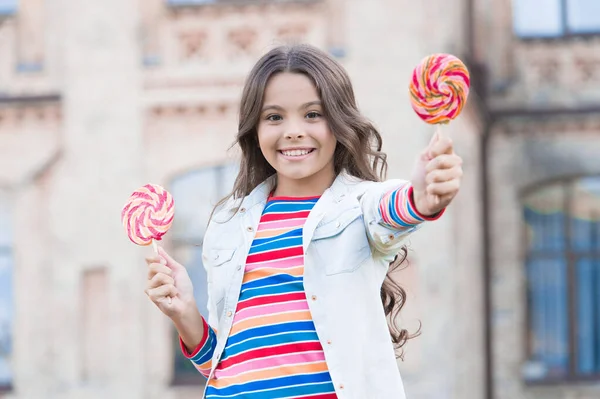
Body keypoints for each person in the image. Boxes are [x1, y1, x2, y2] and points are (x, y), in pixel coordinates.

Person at [145, 44, 463, 399]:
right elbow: (226, 363)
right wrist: (185, 313)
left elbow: (397, 209)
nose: (293, 130)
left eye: (313, 114)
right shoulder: (227, 222)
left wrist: (424, 196)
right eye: (274, 117)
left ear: (340, 122)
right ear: (254, 129)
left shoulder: (359, 205)